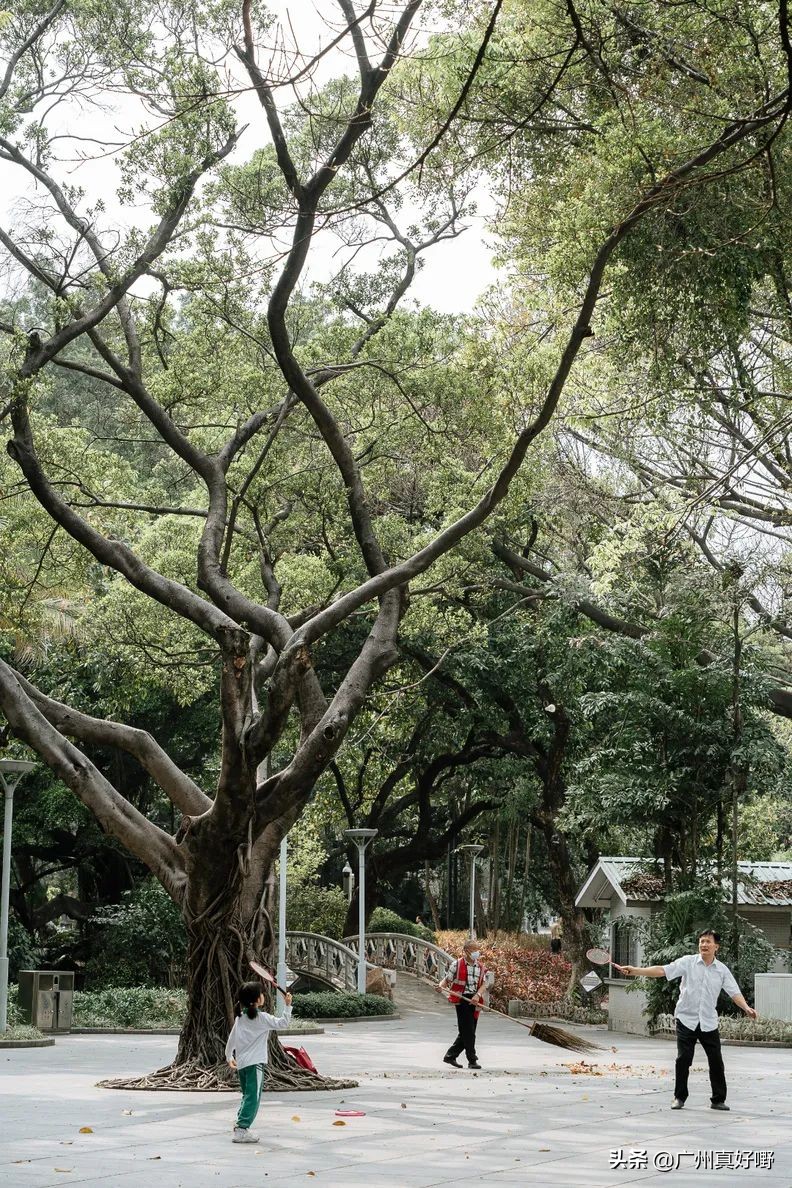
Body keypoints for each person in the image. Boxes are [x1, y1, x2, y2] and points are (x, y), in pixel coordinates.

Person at [614, 929, 757, 1111]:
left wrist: (746, 1008)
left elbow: (734, 992)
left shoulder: (722, 970)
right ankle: (679, 1097)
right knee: (683, 1059)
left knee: (716, 1060)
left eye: (708, 942)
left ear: (716, 947)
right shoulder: (688, 962)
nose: (704, 945)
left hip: (708, 1022)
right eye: (702, 941)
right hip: (686, 1019)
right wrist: (635, 970)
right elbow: (662, 970)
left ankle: (718, 1099)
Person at [226, 981, 293, 1143]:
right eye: (261, 994)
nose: (264, 996)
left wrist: (229, 1057)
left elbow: (231, 1039)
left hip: (242, 1064)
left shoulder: (240, 1018)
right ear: (257, 999)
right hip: (255, 1064)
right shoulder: (262, 1018)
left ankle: (240, 1124)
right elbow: (283, 1023)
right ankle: (242, 1129)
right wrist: (288, 1006)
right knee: (253, 1097)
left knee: (247, 1095)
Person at [436, 938, 488, 1070]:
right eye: (474, 950)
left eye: (478, 950)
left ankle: (450, 1056)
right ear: (466, 951)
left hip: (475, 1000)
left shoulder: (480, 967)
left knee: (467, 1030)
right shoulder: (457, 964)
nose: (476, 952)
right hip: (461, 999)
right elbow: (447, 979)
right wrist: (441, 986)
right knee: (469, 1031)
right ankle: (472, 1060)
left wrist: (477, 995)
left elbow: (484, 984)